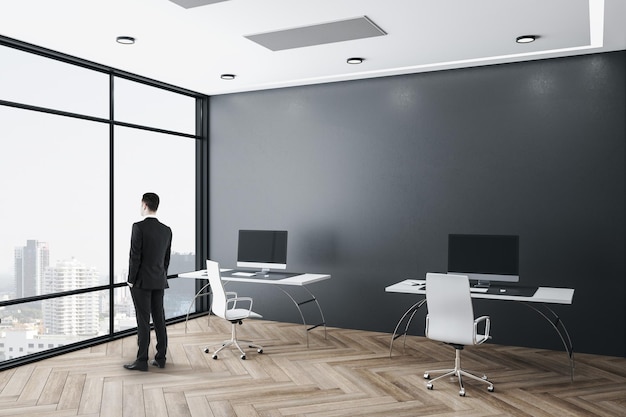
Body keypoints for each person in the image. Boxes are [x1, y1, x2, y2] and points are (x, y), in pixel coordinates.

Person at [124, 192, 172, 371]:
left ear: (144, 205)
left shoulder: (138, 227)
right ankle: (161, 358)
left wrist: (131, 280)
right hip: (159, 280)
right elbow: (166, 259)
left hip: (141, 282)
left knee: (143, 321)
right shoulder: (166, 230)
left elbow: (134, 256)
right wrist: (162, 275)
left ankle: (142, 360)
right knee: (159, 319)